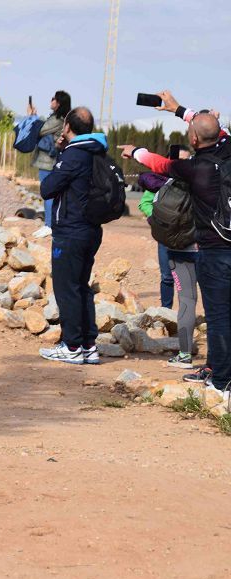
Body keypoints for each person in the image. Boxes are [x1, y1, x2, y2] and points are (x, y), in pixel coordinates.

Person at [119, 97, 230, 392]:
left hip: (214, 250)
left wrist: (136, 152)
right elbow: (216, 132)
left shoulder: (194, 168)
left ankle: (221, 382)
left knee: (219, 316)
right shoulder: (229, 150)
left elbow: (161, 164)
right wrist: (181, 111)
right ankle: (217, 369)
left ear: (193, 139)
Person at [38, 107, 107, 366]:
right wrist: (62, 153)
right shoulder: (95, 150)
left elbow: (48, 188)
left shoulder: (74, 155)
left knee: (67, 288)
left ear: (67, 127)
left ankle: (72, 345)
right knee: (81, 287)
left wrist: (61, 155)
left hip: (71, 231)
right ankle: (88, 346)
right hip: (90, 230)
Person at [138, 171, 198, 369]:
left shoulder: (166, 182)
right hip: (212, 248)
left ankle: (185, 354)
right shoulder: (214, 178)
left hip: (180, 249)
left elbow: (146, 180)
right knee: (218, 305)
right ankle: (219, 361)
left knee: (187, 300)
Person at [29, 91, 71, 228]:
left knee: (48, 191)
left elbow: (40, 130)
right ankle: (51, 222)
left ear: (59, 103)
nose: (51, 101)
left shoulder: (57, 119)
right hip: (50, 159)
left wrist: (32, 117)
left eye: (53, 99)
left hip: (48, 160)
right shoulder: (59, 118)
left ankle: (49, 225)